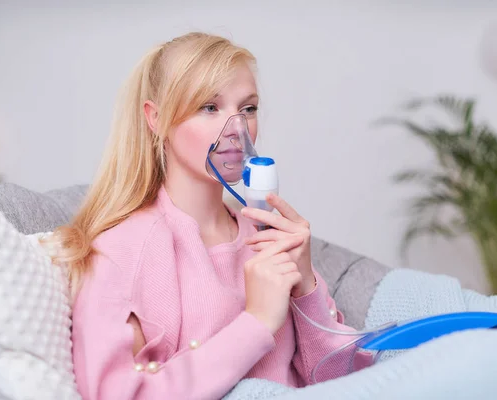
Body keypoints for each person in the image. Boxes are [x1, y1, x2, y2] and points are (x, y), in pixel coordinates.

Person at [54, 32, 373, 400]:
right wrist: (255, 324)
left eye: (248, 109)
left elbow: (351, 382)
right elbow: (113, 394)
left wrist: (306, 288)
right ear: (155, 119)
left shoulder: (266, 235)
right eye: (210, 107)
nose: (237, 130)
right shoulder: (121, 252)